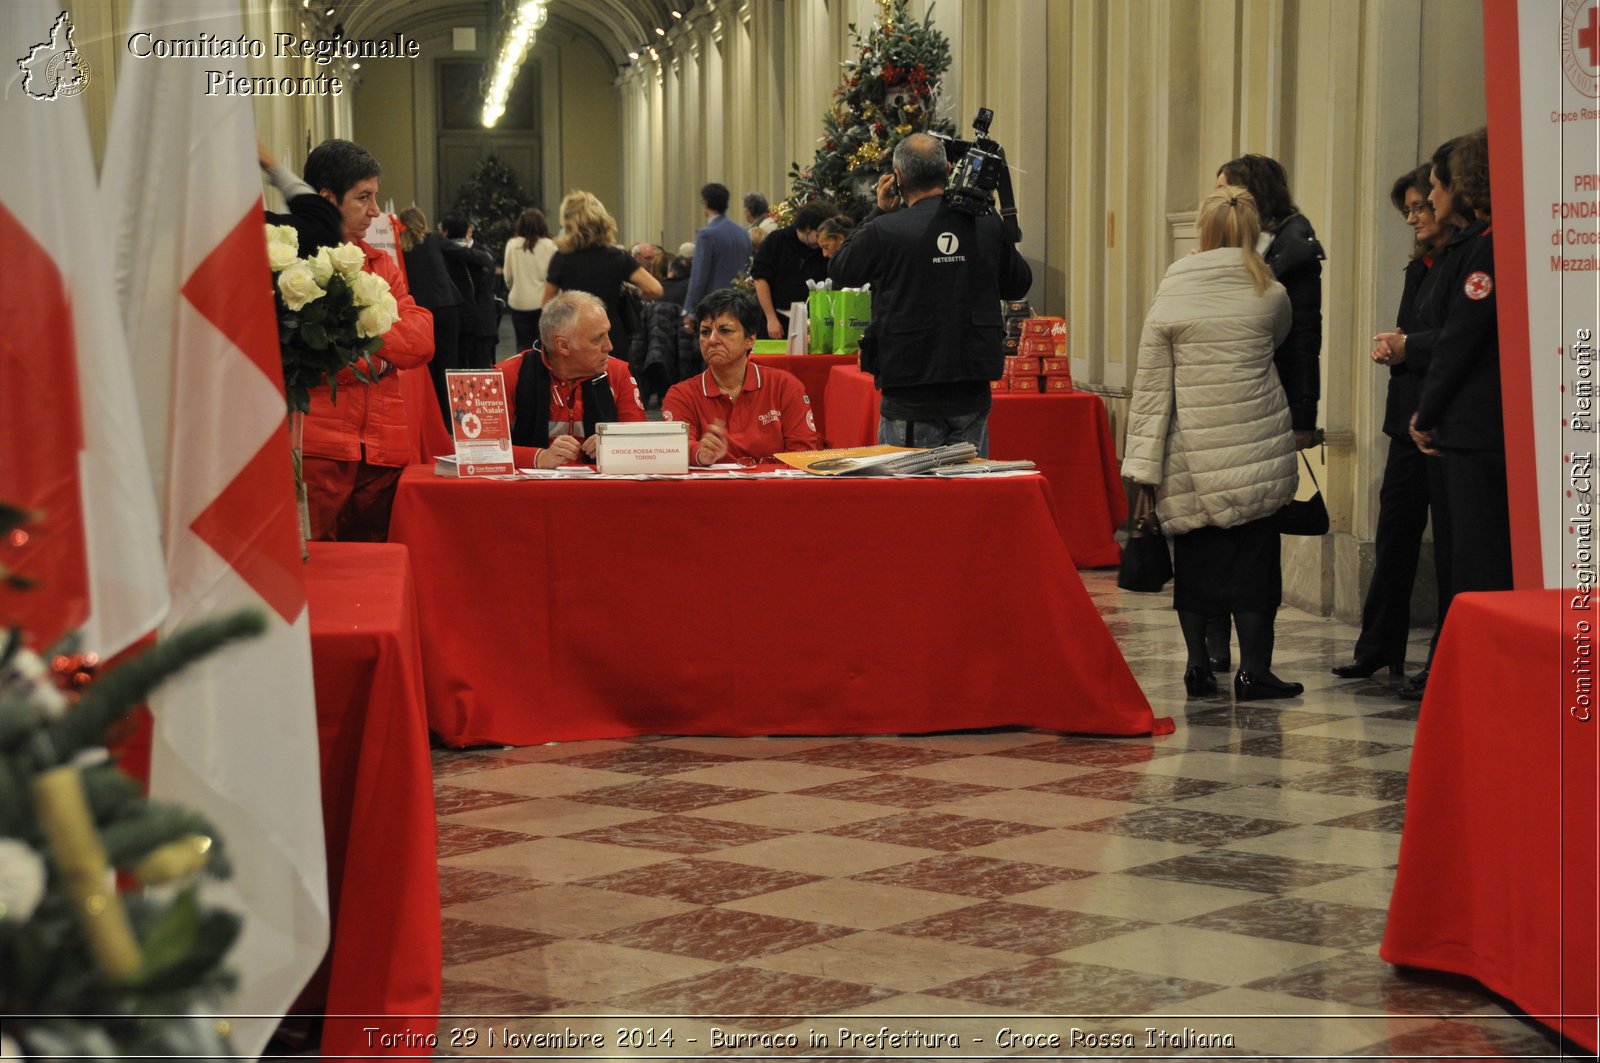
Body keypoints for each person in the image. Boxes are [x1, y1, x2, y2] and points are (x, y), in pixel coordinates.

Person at [1121, 186, 1299, 702]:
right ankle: (1256, 671)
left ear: (1202, 232)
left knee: (1196, 564)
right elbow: (1279, 338)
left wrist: (1142, 466)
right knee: (1254, 564)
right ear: (1252, 232)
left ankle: (1199, 665)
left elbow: (1153, 382)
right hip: (1253, 443)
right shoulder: (1270, 290)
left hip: (1189, 446)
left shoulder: (1174, 284)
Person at [1375, 129, 1506, 699]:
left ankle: (1474, 674)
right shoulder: (1471, 244)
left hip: (1473, 425)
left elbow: (1462, 337)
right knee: (1456, 556)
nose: (1427, 200)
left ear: (1462, 184)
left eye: (1433, 188)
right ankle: (1456, 667)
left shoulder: (1485, 245)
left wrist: (1426, 411)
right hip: (1460, 422)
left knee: (1475, 562)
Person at [828, 132, 1032, 456]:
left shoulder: (887, 230)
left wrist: (879, 212)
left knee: (913, 501)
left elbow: (841, 269)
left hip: (911, 393)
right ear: (948, 169)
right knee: (969, 495)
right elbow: (1018, 284)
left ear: (897, 179)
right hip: (971, 389)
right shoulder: (985, 223)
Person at [1332, 165, 1456, 681]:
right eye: (1407, 209)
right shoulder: (1419, 268)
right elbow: (1416, 332)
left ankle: (1446, 659)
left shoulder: (1464, 260)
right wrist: (1394, 345)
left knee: (1451, 546)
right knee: (1394, 536)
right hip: (1406, 417)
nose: (1412, 217)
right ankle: (1379, 645)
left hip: (1447, 423)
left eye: (1419, 206)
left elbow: (1456, 339)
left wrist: (1409, 345)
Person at [1204, 154, 1325, 672]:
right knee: (1210, 527)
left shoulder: (1292, 252)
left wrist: (1303, 416)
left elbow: (1302, 342)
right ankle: (1212, 643)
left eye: (1226, 191)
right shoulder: (1229, 250)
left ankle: (1254, 657)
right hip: (1220, 407)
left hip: (1264, 408)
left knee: (1254, 533)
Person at [296, 138, 434, 541]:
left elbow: (421, 340)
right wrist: (381, 357)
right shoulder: (295, 269)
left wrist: (352, 336)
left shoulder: (380, 262)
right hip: (320, 447)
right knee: (316, 570)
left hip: (384, 450)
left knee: (374, 574)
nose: (375, 211)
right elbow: (314, 357)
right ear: (326, 198)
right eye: (364, 198)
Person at [662, 288, 822, 464]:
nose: (712, 340)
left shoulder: (785, 386)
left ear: (750, 339)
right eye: (705, 332)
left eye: (725, 330)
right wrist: (701, 454)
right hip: (711, 491)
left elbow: (803, 452)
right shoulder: (681, 395)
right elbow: (675, 449)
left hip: (773, 489)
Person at [501, 291, 647, 469]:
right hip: (531, 492)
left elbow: (641, 439)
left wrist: (617, 445)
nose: (609, 346)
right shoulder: (504, 376)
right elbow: (477, 450)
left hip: (600, 491)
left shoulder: (618, 372)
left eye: (607, 334)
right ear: (562, 345)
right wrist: (538, 458)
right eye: (597, 339)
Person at [544, 190, 663, 356]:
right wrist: (637, 294)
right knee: (614, 379)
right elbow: (655, 289)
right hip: (611, 334)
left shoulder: (561, 258)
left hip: (575, 336)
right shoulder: (617, 257)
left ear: (569, 224)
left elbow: (547, 306)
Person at [396, 206, 463, 423]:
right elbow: (462, 253)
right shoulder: (433, 239)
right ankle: (450, 420)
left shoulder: (399, 247)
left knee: (428, 368)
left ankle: (430, 419)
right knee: (448, 366)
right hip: (446, 307)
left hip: (420, 312)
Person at [751, 199, 838, 339]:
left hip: (812, 325)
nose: (823, 240)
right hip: (777, 321)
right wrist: (771, 318)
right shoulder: (777, 240)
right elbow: (760, 279)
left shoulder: (823, 251)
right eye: (819, 235)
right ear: (808, 228)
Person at [682, 183, 753, 331]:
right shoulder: (743, 233)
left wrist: (689, 309)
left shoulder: (706, 234)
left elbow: (699, 276)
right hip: (740, 304)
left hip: (714, 306)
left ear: (706, 204)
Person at [439, 212, 498, 369]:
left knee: (479, 374)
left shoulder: (477, 255)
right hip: (461, 327)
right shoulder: (484, 256)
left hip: (479, 325)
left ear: (444, 232)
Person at [504, 207, 557, 353]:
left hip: (519, 301)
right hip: (544, 302)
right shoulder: (550, 245)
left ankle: (524, 373)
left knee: (522, 345)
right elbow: (555, 276)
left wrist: (515, 288)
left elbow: (508, 276)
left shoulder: (513, 245)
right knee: (543, 345)